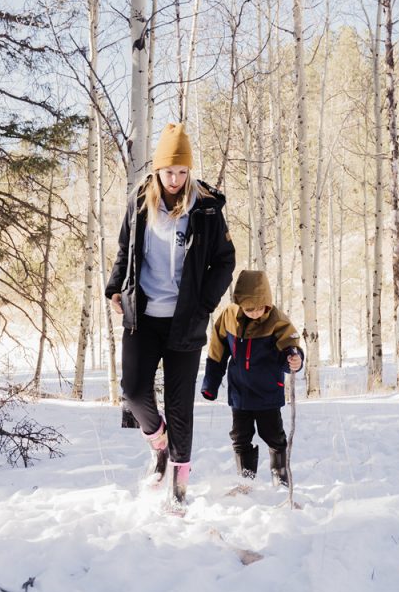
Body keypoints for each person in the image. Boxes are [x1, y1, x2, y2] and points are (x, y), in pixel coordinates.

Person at [105, 123, 236, 506]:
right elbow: (124, 252)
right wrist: (115, 289)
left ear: (189, 170)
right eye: (168, 171)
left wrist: (203, 303)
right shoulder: (139, 202)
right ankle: (158, 444)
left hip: (185, 322)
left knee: (181, 405)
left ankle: (179, 487)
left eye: (181, 171)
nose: (175, 179)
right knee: (133, 391)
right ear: (158, 170)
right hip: (143, 317)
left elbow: (225, 262)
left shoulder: (207, 208)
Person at [200, 269, 303, 487]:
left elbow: (291, 346)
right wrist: (210, 384)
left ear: (267, 302)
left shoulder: (277, 320)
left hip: (267, 392)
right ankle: (246, 480)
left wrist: (294, 359)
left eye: (259, 308)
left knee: (273, 435)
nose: (255, 312)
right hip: (240, 393)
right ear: (239, 303)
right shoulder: (228, 316)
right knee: (240, 437)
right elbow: (217, 351)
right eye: (249, 309)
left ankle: (280, 476)